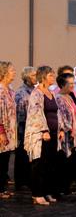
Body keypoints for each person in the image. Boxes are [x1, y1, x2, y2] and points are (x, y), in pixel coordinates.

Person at [25, 66, 62, 205]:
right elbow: (36, 113)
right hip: (40, 135)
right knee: (39, 164)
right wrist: (44, 131)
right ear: (43, 77)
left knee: (49, 164)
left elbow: (57, 112)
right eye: (51, 75)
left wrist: (61, 129)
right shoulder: (37, 93)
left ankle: (46, 191)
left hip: (53, 133)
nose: (53, 77)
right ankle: (37, 193)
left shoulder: (51, 92)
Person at [55, 73, 76, 194]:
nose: (72, 86)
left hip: (73, 134)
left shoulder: (69, 96)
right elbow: (61, 117)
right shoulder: (59, 98)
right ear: (62, 84)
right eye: (69, 83)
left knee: (70, 161)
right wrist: (69, 129)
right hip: (65, 134)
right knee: (63, 161)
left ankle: (66, 187)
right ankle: (61, 187)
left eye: (73, 83)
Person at [14, 67, 36, 190]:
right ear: (27, 77)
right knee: (22, 154)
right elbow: (19, 112)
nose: (35, 78)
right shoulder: (21, 92)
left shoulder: (34, 90)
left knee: (29, 155)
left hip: (32, 128)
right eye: (33, 75)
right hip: (23, 127)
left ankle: (27, 179)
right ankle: (20, 181)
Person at [0, 61, 17, 199]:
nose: (14, 72)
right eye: (12, 70)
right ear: (4, 73)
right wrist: (1, 132)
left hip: (10, 131)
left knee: (5, 160)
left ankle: (2, 188)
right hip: (2, 131)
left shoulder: (10, 89)